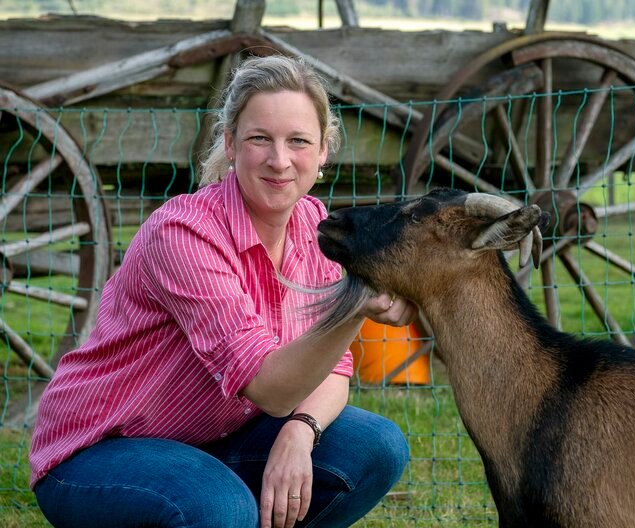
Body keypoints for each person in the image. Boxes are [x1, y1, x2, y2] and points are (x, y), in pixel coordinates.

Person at [29, 54, 413, 528]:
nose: (279, 160)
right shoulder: (185, 234)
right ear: (230, 144)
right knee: (220, 506)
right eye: (259, 139)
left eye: (298, 141)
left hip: (216, 435)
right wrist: (356, 309)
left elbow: (334, 368)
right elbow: (270, 390)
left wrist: (299, 430)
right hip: (100, 449)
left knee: (376, 446)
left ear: (323, 152)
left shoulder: (315, 225)